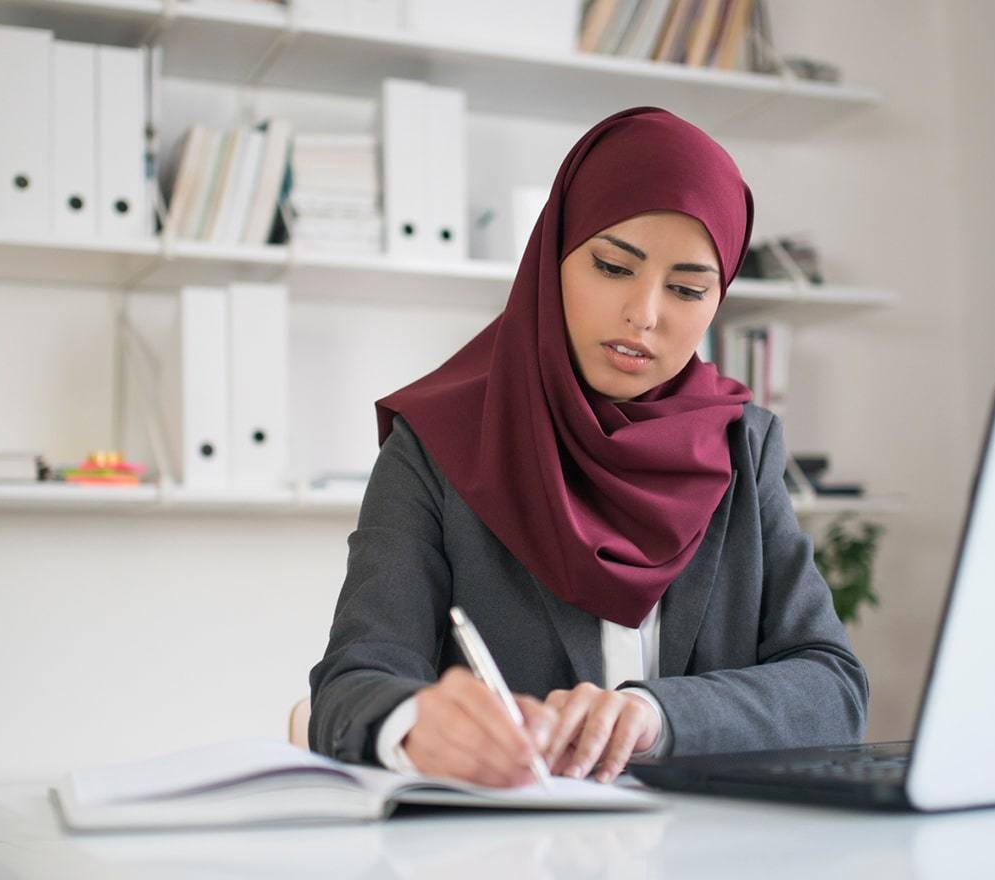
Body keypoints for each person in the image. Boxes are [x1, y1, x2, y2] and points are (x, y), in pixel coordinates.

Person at [308, 106, 868, 788]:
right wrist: (415, 724)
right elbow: (351, 684)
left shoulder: (743, 448)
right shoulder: (438, 444)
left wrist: (654, 715)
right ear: (555, 256)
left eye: (688, 288)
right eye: (612, 267)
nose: (646, 314)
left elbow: (832, 688)